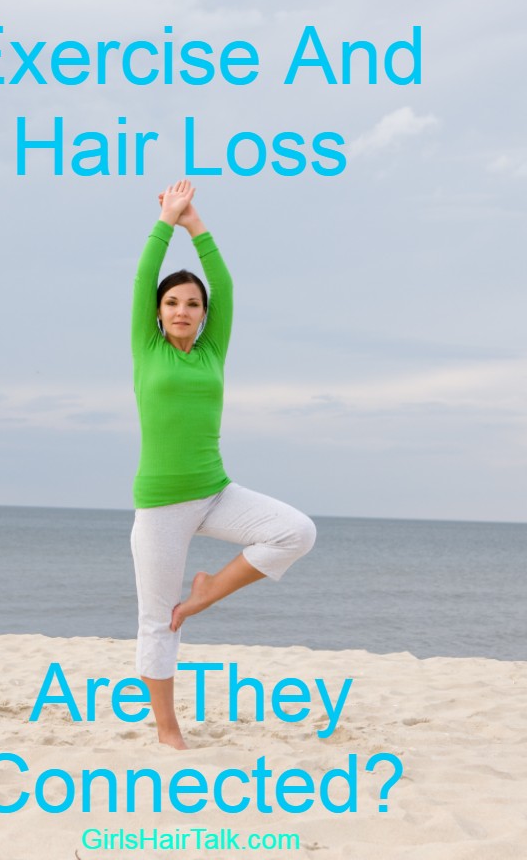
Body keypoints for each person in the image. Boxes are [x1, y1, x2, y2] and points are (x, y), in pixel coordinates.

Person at [131, 179, 316, 749]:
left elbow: (226, 286)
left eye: (193, 304)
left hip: (214, 490)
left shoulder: (213, 349)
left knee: (295, 532)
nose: (183, 310)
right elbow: (143, 276)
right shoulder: (148, 347)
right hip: (161, 505)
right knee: (158, 622)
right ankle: (168, 731)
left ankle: (208, 592)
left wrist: (196, 227)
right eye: (172, 303)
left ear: (204, 316)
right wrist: (166, 221)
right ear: (158, 313)